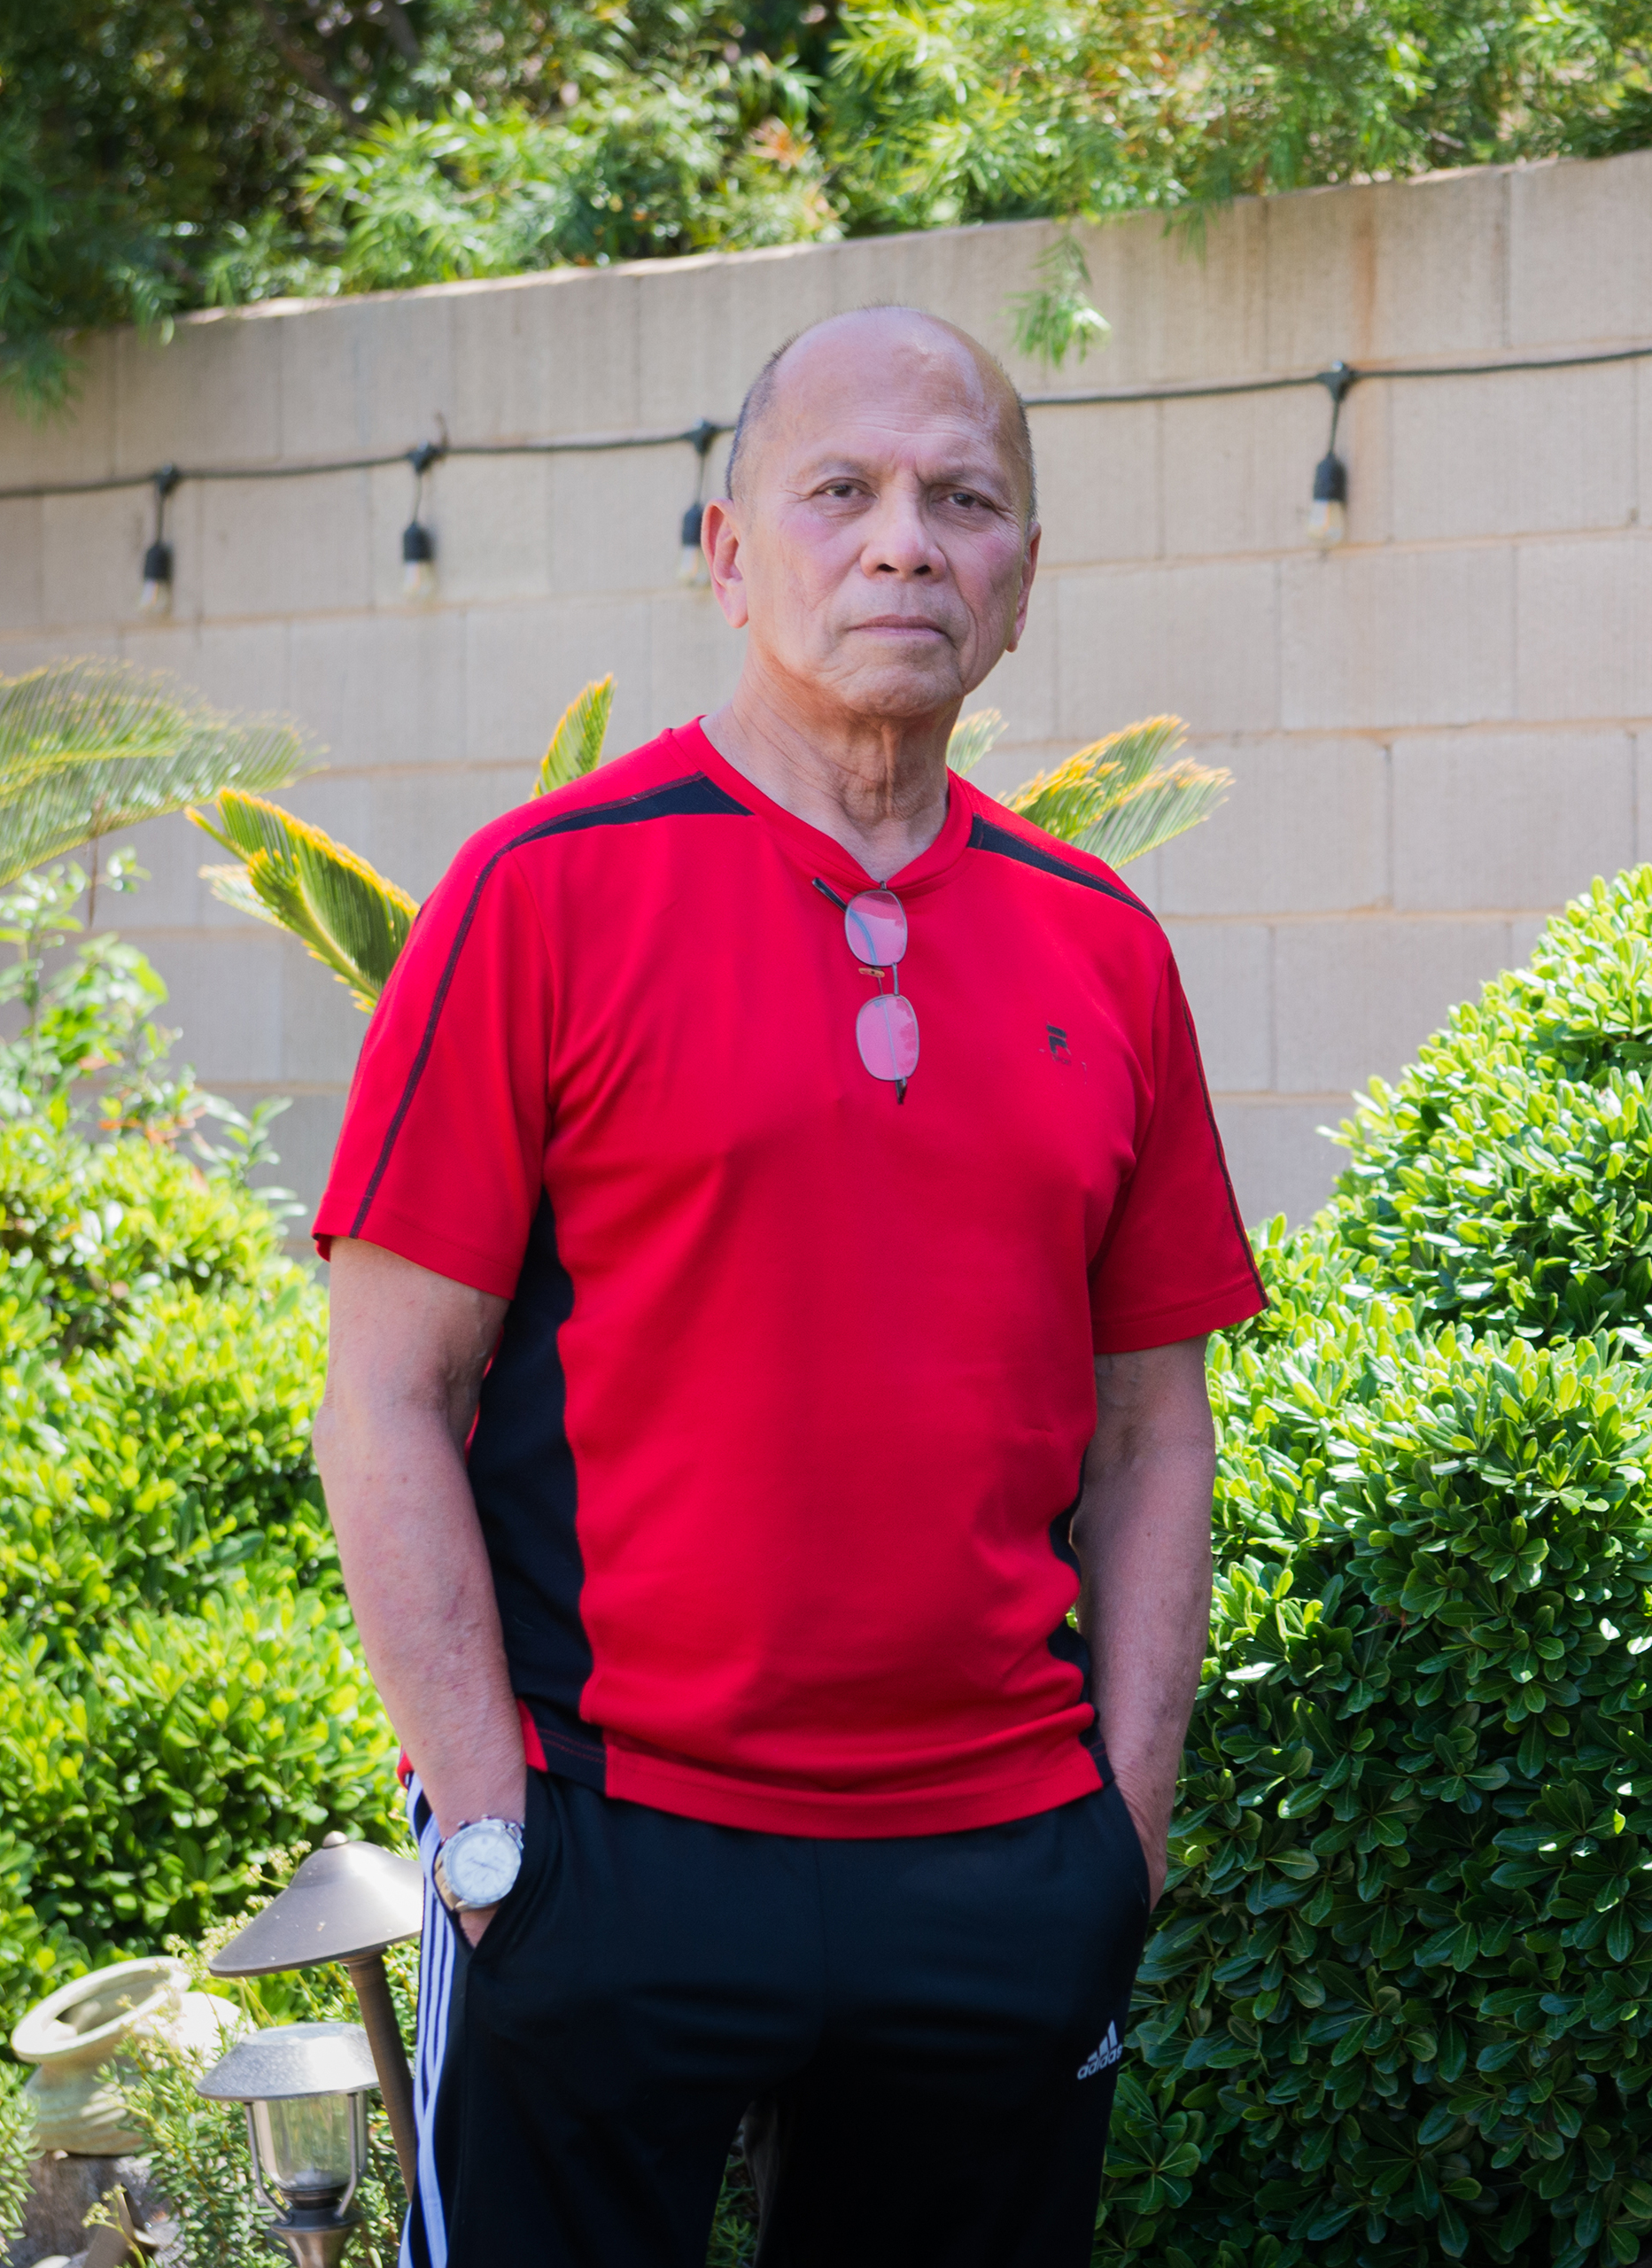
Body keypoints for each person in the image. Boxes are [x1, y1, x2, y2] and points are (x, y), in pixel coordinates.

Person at [309, 305, 1264, 2268]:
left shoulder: (1106, 950)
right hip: (611, 1850)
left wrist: (1125, 1835)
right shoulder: (545, 893)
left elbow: (1159, 1429)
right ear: (734, 555)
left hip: (1000, 1871)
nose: (904, 540)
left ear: (1019, 582)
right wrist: (491, 1842)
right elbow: (385, 1393)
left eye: (963, 499)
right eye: (842, 491)